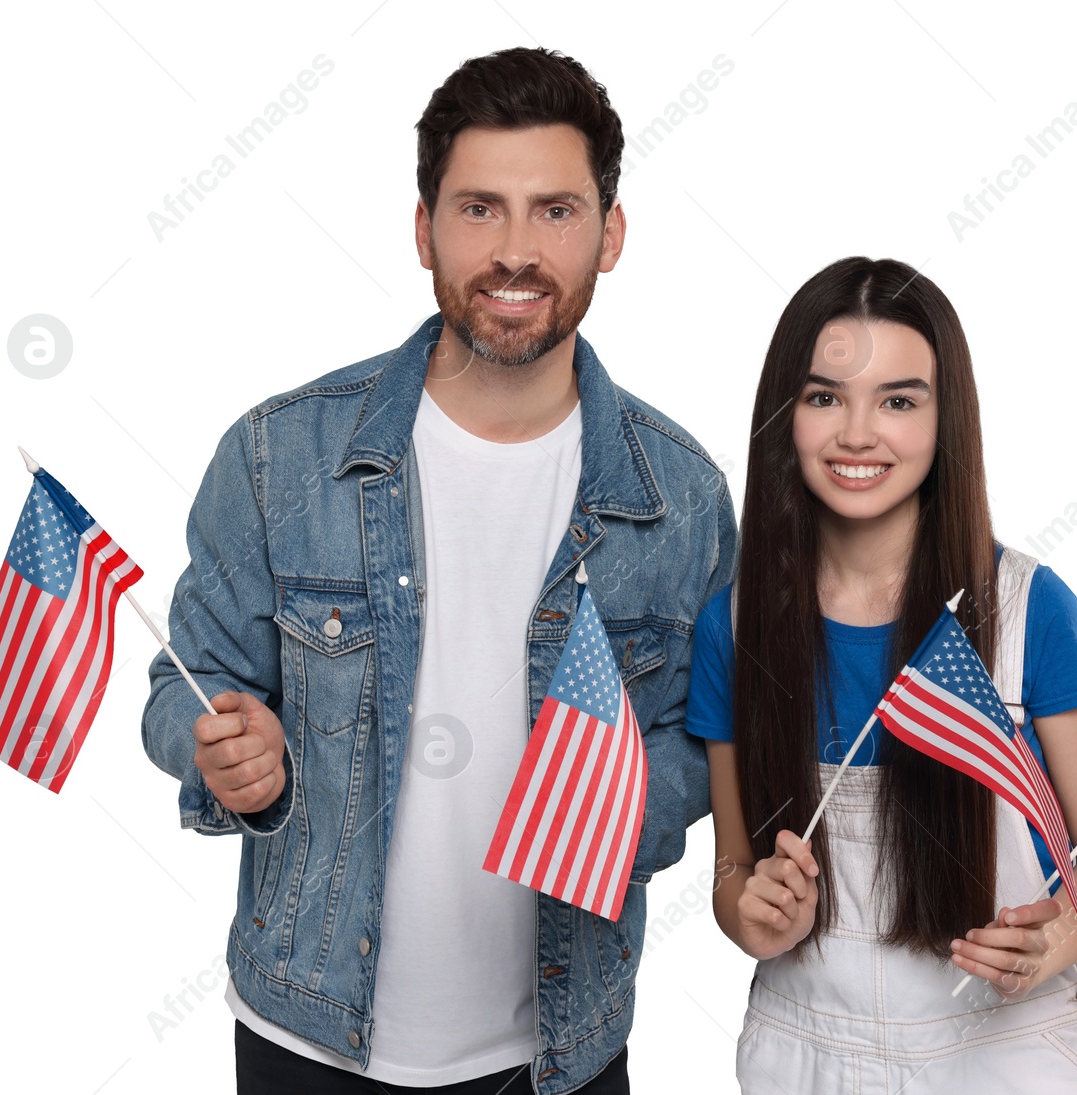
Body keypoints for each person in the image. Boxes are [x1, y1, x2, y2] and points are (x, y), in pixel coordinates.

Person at [140, 47, 736, 1095]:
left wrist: (617, 813)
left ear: (612, 234)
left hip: (560, 1047)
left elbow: (708, 735)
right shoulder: (280, 457)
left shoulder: (679, 493)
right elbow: (175, 688)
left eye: (555, 210)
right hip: (306, 1036)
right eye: (478, 210)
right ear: (423, 230)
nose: (516, 251)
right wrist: (222, 751)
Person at [685, 256, 1077, 1092]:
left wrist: (1055, 938)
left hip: (1013, 1052)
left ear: (944, 417)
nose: (859, 433)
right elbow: (730, 872)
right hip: (808, 1053)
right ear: (786, 414)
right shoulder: (736, 625)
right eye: (825, 397)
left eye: (898, 400)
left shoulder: (1032, 612)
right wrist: (752, 913)